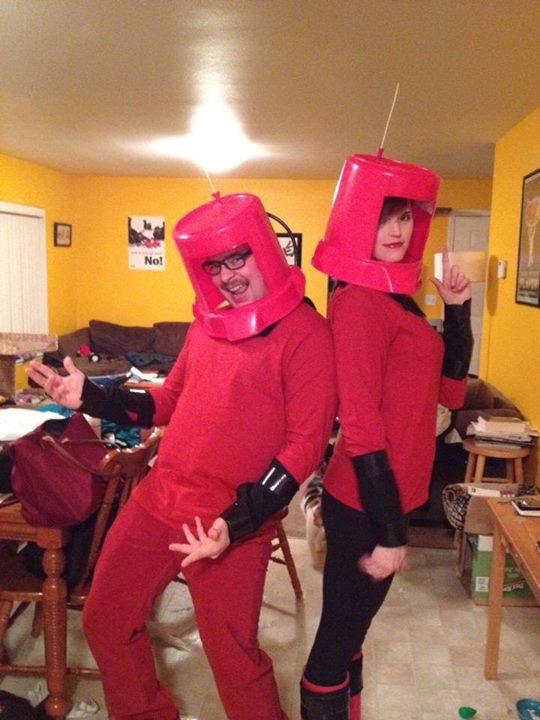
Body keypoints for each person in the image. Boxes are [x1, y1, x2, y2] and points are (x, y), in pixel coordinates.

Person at [27, 192, 336, 720]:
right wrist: (94, 397)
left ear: (266, 251)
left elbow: (305, 445)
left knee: (233, 661)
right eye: (214, 265)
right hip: (160, 500)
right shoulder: (209, 324)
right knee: (105, 619)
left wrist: (236, 521)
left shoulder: (307, 333)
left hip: (230, 523)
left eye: (237, 258)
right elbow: (168, 400)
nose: (227, 276)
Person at [301, 153, 473, 720]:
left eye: (402, 217)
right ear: (356, 225)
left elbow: (450, 395)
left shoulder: (396, 297)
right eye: (381, 219)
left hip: (388, 498)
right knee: (335, 644)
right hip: (363, 504)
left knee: (351, 635)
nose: (396, 230)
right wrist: (394, 533)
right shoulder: (356, 301)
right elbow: (360, 425)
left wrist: (458, 313)